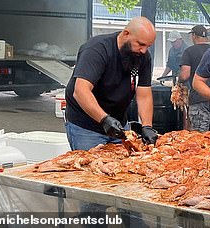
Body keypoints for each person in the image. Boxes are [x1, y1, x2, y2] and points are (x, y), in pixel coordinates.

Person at [65, 16, 158, 151]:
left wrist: (147, 126)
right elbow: (80, 91)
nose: (144, 50)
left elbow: (144, 94)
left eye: (148, 46)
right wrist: (104, 120)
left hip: (119, 124)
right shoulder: (97, 49)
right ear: (126, 34)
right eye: (140, 44)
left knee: (124, 169)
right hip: (87, 127)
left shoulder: (143, 56)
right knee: (90, 168)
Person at [178, 25, 210, 132]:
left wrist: (178, 81)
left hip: (198, 99)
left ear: (193, 36)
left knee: (199, 138)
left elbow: (185, 75)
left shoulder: (189, 51)